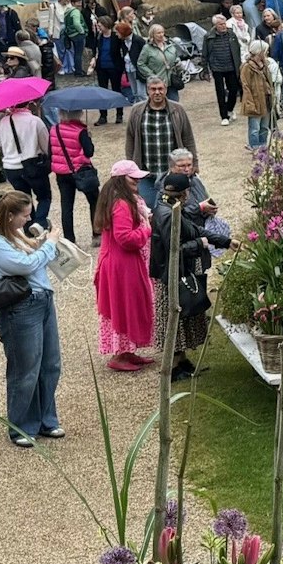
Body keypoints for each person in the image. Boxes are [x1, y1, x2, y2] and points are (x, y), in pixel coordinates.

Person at [0, 191, 63, 447]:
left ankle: (46, 420)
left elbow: (33, 259)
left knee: (50, 364)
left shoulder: (14, 234)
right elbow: (25, 265)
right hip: (20, 308)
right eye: (24, 215)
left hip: (42, 299)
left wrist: (43, 244)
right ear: (9, 215)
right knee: (25, 369)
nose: (28, 219)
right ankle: (22, 427)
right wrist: (50, 244)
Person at [149, 171, 229, 382]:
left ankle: (182, 361)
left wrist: (225, 242)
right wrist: (199, 244)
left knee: (182, 319)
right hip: (170, 275)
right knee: (174, 319)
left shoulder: (172, 207)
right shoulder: (167, 214)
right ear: (184, 193)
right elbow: (174, 249)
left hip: (176, 271)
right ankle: (174, 368)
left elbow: (194, 229)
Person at [93, 161, 156, 372]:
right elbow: (125, 238)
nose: (137, 180)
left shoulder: (117, 199)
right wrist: (146, 229)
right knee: (124, 307)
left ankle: (128, 351)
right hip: (121, 264)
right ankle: (120, 355)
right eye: (132, 177)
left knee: (128, 305)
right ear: (121, 179)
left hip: (118, 261)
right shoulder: (121, 204)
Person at [123, 78, 197, 214]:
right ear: (147, 90)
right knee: (148, 211)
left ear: (166, 89)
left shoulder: (178, 110)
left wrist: (194, 164)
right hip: (146, 173)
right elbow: (130, 140)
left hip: (172, 174)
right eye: (153, 89)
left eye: (160, 89)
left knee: (175, 210)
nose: (157, 92)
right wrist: (131, 167)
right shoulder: (137, 111)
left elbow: (188, 138)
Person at [47, 107, 99, 246]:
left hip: (62, 173)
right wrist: (89, 138)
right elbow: (89, 152)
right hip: (81, 170)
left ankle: (70, 239)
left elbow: (50, 152)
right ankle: (96, 234)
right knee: (94, 200)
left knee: (67, 206)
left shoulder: (54, 129)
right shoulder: (80, 130)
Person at [0, 100, 50, 227]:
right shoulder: (35, 121)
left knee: (23, 201)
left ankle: (28, 228)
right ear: (28, 104)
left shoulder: (4, 121)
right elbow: (46, 145)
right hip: (33, 165)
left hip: (11, 167)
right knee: (44, 197)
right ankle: (40, 222)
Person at [201, 14, 242, 125]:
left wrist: (239, 65)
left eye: (224, 24)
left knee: (233, 90)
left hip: (231, 66)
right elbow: (204, 54)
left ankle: (230, 108)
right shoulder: (208, 37)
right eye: (220, 24)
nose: (223, 26)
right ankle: (224, 116)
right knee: (220, 92)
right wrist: (205, 70)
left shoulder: (231, 34)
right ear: (215, 25)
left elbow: (237, 50)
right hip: (217, 67)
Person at [241, 39, 281, 147]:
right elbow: (246, 86)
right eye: (265, 51)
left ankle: (263, 146)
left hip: (266, 100)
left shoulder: (265, 65)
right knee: (255, 127)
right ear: (259, 52)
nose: (266, 53)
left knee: (264, 126)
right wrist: (250, 103)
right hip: (255, 100)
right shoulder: (247, 67)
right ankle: (254, 146)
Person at [89, 20, 126, 124]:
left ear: (106, 25)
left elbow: (122, 50)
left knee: (116, 90)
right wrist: (93, 59)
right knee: (102, 92)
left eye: (100, 26)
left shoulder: (115, 36)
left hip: (114, 67)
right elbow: (95, 50)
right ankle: (103, 116)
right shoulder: (98, 37)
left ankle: (119, 114)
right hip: (101, 68)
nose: (98, 28)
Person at [136, 23, 177, 102]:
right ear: (153, 34)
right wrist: (151, 75)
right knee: (159, 104)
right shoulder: (147, 48)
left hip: (171, 81)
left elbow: (176, 56)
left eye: (162, 32)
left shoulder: (170, 45)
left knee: (174, 103)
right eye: (158, 33)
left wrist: (178, 64)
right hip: (156, 83)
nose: (161, 35)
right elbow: (141, 64)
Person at [61, 0, 87, 77]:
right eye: (78, 2)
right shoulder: (75, 11)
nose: (80, 4)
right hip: (78, 34)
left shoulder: (67, 11)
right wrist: (82, 31)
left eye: (80, 2)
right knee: (79, 53)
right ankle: (78, 71)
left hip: (71, 35)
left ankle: (78, 69)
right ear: (72, 3)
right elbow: (76, 23)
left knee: (76, 53)